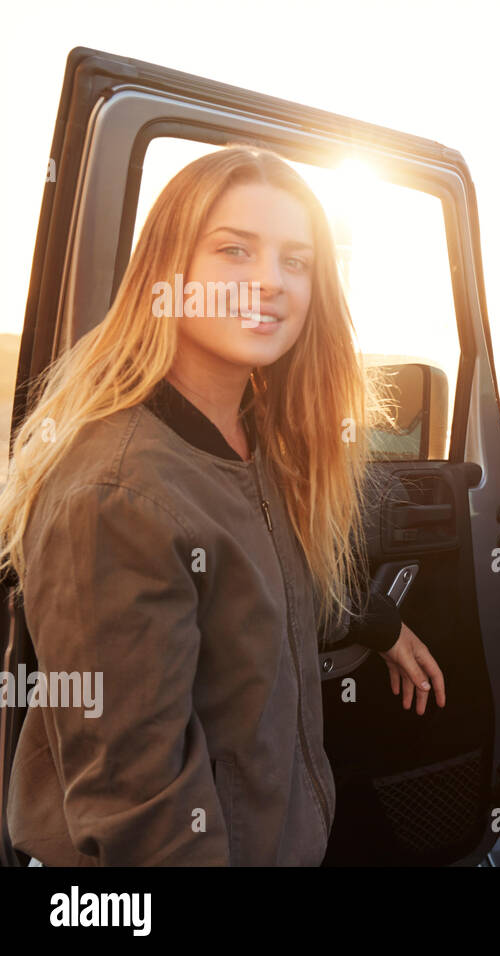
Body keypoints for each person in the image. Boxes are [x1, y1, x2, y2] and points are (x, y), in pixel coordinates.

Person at [0, 145, 446, 866]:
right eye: (235, 249)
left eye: (295, 261)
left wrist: (382, 625)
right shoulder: (118, 494)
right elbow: (142, 820)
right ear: (168, 272)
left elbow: (264, 583)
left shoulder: (255, 444)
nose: (268, 282)